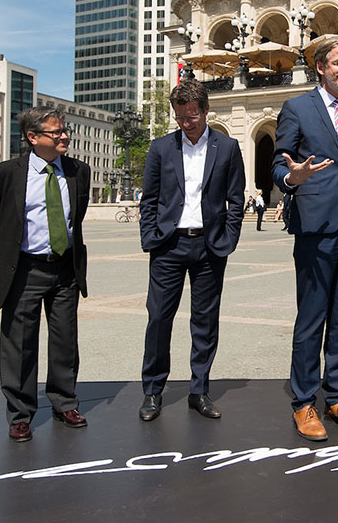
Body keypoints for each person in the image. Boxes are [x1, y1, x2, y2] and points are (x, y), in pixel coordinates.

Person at [272, 34, 338, 442]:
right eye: (337, 62)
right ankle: (303, 403)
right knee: (312, 317)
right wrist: (292, 179)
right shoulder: (297, 108)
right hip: (316, 226)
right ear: (320, 67)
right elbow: (279, 167)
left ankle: (336, 397)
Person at [0, 106, 92, 443]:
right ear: (33, 137)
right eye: (56, 132)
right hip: (24, 269)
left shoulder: (78, 171)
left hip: (64, 269)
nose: (64, 137)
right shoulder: (5, 174)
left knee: (64, 340)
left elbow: (78, 215)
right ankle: (20, 415)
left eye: (64, 131)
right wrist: (13, 255)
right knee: (20, 345)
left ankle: (64, 402)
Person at [137, 80, 244, 422]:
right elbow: (149, 199)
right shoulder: (160, 148)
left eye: (193, 116)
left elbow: (236, 199)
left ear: (205, 110)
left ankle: (199, 390)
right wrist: (150, 237)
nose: (187, 123)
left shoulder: (227, 147)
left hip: (210, 247)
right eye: (181, 117)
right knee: (158, 319)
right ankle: (153, 391)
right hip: (169, 245)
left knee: (205, 321)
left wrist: (228, 239)